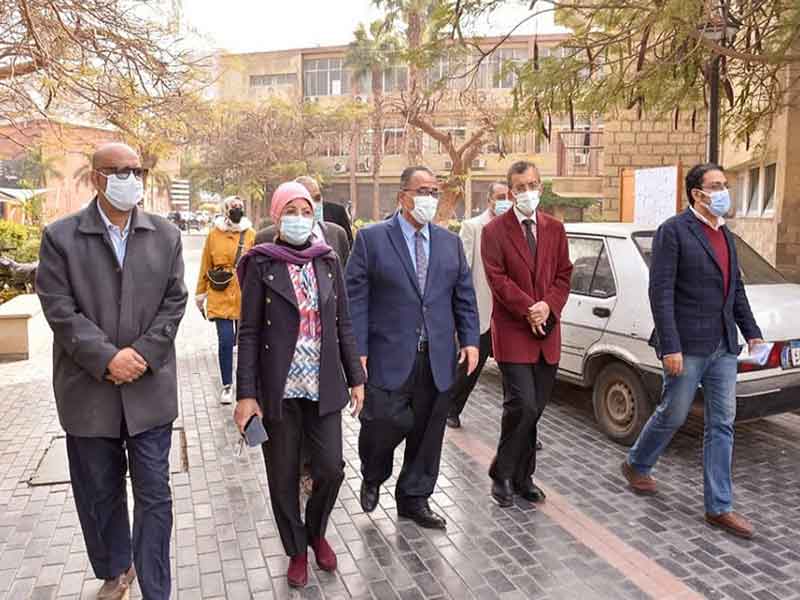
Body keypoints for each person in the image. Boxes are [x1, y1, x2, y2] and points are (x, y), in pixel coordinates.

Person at [35, 142, 187, 600]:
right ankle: (116, 568)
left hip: (149, 390)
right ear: (98, 178)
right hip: (89, 394)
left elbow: (174, 301)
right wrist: (107, 359)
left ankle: (156, 585)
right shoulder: (61, 237)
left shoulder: (165, 234)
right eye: (119, 171)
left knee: (155, 494)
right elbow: (59, 310)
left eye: (136, 170)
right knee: (99, 493)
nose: (130, 178)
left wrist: (140, 354)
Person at [234, 181, 365, 588]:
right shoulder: (260, 263)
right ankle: (296, 550)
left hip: (323, 385)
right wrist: (246, 394)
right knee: (283, 475)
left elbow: (343, 322)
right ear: (277, 216)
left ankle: (317, 532)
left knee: (331, 469)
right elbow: (249, 332)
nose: (300, 219)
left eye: (306, 211)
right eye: (291, 211)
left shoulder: (326, 260)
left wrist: (356, 378)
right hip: (279, 388)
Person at [622, 163, 764, 539]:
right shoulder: (674, 231)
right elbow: (661, 292)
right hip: (686, 346)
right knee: (675, 411)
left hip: (723, 346)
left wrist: (752, 333)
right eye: (715, 186)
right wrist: (671, 345)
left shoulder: (726, 235)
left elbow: (736, 290)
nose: (723, 192)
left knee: (722, 423)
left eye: (724, 184)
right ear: (696, 194)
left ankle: (719, 506)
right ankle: (637, 461)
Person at [346, 165, 479, 530]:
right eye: (422, 191)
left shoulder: (449, 243)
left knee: (428, 430)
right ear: (403, 196)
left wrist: (469, 339)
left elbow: (463, 297)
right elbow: (355, 298)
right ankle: (374, 474)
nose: (429, 199)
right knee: (382, 422)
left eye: (434, 192)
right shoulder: (371, 240)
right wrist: (357, 348)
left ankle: (414, 498)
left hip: (436, 356)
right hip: (387, 353)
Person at [482, 160, 572, 508]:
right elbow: (497, 278)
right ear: (510, 190)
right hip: (513, 331)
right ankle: (502, 473)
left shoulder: (555, 229)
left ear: (541, 185)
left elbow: (564, 275)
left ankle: (524, 476)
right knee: (522, 404)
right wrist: (529, 308)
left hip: (547, 331)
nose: (527, 192)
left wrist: (548, 306)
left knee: (534, 410)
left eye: (532, 184)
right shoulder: (494, 232)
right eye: (520, 187)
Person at [447, 182, 511, 429]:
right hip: (481, 311)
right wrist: (462, 313)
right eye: (500, 197)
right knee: (470, 367)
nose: (505, 201)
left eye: (508, 197)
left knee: (515, 376)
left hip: (509, 314)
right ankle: (451, 409)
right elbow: (462, 274)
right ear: (489, 200)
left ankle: (520, 426)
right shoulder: (473, 227)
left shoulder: (515, 229)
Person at [195, 196, 256, 404]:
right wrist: (200, 294)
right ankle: (227, 384)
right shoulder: (214, 235)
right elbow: (205, 264)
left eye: (240, 207)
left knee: (246, 342)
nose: (237, 210)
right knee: (226, 341)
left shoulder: (250, 234)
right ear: (225, 210)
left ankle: (247, 384)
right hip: (220, 293)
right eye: (232, 207)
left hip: (245, 294)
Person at [255, 176, 350, 265]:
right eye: (306, 198)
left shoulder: (338, 234)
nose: (312, 204)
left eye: (317, 198)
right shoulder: (264, 238)